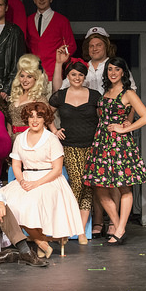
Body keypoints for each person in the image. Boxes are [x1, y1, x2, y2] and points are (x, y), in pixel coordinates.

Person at [53, 26, 136, 238]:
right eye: (91, 45)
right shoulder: (83, 67)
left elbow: (131, 97)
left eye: (99, 44)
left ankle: (114, 223)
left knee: (115, 181)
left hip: (112, 132)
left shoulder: (115, 66)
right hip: (95, 132)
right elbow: (59, 93)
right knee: (96, 181)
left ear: (106, 46)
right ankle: (98, 222)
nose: (94, 48)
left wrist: (127, 122)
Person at [1, 102, 86, 258]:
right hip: (26, 178)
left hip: (49, 179)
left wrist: (35, 184)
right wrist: (21, 181)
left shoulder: (51, 139)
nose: (34, 120)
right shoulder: (20, 139)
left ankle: (41, 240)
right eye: (31, 116)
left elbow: (57, 170)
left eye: (39, 116)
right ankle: (42, 242)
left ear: (45, 119)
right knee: (6, 203)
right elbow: (16, 165)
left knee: (31, 202)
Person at [82, 57, 146, 245]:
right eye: (110, 69)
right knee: (99, 187)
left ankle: (120, 229)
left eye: (117, 69)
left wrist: (124, 128)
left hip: (120, 144)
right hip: (102, 142)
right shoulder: (106, 91)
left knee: (124, 187)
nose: (113, 73)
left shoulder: (128, 93)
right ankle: (117, 224)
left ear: (123, 72)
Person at [49, 59, 101, 240]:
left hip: (92, 146)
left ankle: (79, 231)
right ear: (68, 76)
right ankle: (66, 224)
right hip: (70, 145)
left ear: (84, 77)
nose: (77, 77)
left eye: (80, 74)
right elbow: (46, 113)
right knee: (77, 183)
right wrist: (54, 130)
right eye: (73, 74)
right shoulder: (60, 96)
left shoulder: (94, 96)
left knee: (88, 186)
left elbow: (103, 118)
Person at [26, 0, 76, 84]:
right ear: (34, 0)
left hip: (53, 76)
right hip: (33, 76)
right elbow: (27, 45)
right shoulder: (28, 20)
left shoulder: (61, 20)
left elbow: (71, 46)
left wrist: (60, 63)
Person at [7, 54, 57, 140]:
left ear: (36, 79)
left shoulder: (39, 99)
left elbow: (49, 119)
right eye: (22, 76)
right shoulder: (14, 96)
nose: (24, 80)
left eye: (29, 77)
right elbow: (9, 121)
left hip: (32, 138)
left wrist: (55, 132)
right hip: (14, 140)